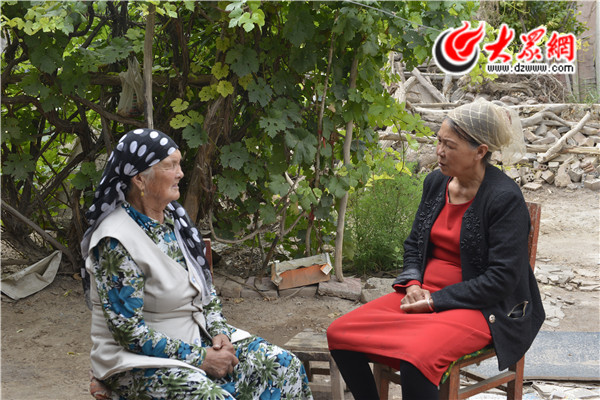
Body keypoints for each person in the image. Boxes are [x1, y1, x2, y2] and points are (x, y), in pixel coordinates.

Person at [327, 99, 546, 400]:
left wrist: (435, 301)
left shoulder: (504, 198)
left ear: (480, 151)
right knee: (341, 334)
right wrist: (413, 285)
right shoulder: (435, 183)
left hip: (482, 307)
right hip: (424, 295)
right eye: (439, 141)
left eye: (450, 145)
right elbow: (414, 244)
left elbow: (501, 280)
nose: (439, 151)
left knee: (416, 357)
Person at [81, 128, 313, 400]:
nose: (180, 173)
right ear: (140, 179)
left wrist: (220, 334)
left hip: (196, 337)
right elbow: (129, 333)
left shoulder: (175, 222)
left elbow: (205, 290)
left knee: (283, 366)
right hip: (135, 360)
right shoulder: (116, 239)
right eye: (170, 166)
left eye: (179, 164)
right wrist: (201, 357)